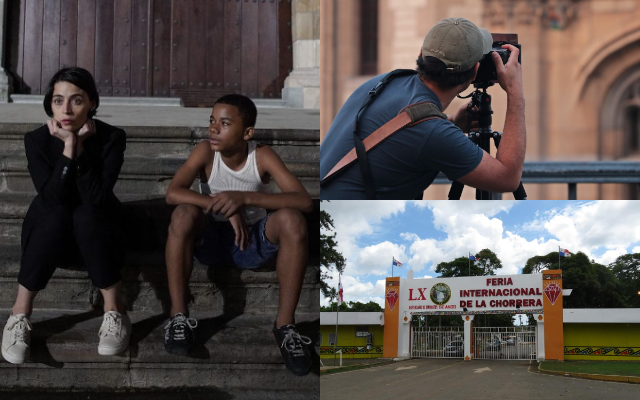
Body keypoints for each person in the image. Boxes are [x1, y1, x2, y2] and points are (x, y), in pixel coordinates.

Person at [163, 94, 314, 376]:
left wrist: (244, 198)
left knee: (293, 220)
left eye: (224, 123)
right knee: (182, 213)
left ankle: (284, 327)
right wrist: (220, 205)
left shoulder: (262, 155)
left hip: (252, 240)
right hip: (212, 239)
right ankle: (178, 317)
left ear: (247, 132)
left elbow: (303, 201)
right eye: (211, 121)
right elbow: (173, 192)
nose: (213, 129)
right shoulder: (205, 151)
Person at [1, 67, 130, 364]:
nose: (66, 110)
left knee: (86, 213)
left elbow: (98, 198)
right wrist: (69, 147)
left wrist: (82, 150)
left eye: (76, 100)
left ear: (92, 104)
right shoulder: (36, 140)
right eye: (58, 101)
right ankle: (19, 315)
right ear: (50, 104)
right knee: (54, 211)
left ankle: (115, 312)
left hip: (98, 231)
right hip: (51, 233)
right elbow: (51, 197)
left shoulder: (112, 138)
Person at [320, 17, 526, 199]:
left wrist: (451, 122)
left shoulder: (384, 81)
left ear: (422, 53)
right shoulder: (433, 133)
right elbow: (507, 179)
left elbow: (407, 134)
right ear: (475, 72)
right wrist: (515, 92)